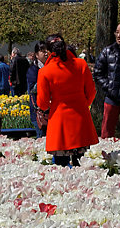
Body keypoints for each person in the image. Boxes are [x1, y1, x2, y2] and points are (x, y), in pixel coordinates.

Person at [36, 33, 97, 166]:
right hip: (81, 119)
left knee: (61, 168)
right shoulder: (81, 64)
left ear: (48, 51)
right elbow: (91, 92)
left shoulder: (45, 72)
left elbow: (43, 103)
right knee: (82, 164)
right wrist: (82, 104)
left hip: (59, 122)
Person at [26, 41, 48, 138]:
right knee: (42, 138)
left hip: (51, 110)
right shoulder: (33, 69)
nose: (46, 54)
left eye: (47, 51)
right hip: (39, 111)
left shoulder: (50, 66)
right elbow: (31, 89)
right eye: (43, 51)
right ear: (36, 54)